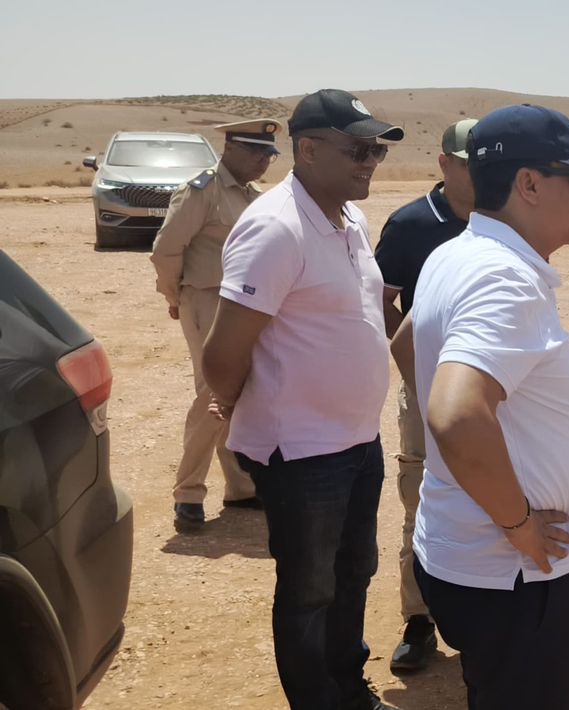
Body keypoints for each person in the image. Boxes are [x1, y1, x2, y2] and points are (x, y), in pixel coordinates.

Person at [399, 104, 569, 710]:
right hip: (510, 576)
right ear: (529, 184)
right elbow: (455, 414)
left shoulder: (455, 254)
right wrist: (518, 524)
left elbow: (405, 344)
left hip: (470, 558)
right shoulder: (503, 278)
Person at [201, 88, 404, 710]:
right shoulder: (275, 228)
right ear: (309, 149)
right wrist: (236, 403)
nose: (370, 162)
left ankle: (348, 687)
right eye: (358, 150)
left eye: (376, 151)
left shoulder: (350, 219)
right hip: (301, 451)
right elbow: (222, 353)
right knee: (310, 590)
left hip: (358, 440)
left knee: (354, 572)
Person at [373, 117, 477, 673]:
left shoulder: (499, 219)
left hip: (487, 392)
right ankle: (419, 620)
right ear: (443, 163)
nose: (478, 174)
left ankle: (481, 614)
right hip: (425, 391)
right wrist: (414, 365)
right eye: (467, 163)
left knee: (487, 495)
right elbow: (380, 301)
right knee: (420, 500)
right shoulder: (411, 224)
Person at [150, 118, 280, 533]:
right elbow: (166, 250)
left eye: (269, 154)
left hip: (243, 303)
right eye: (256, 152)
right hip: (205, 298)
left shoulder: (254, 197)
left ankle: (240, 487)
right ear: (230, 148)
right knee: (213, 391)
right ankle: (188, 493)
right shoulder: (201, 191)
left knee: (239, 390)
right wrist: (175, 296)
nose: (264, 161)